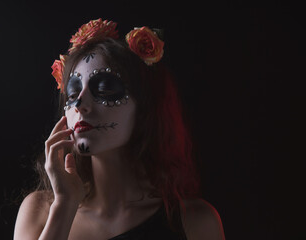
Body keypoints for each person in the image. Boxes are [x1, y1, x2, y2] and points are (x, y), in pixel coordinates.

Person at [14, 19, 225, 240]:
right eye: (73, 94)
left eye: (104, 88)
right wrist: (64, 206)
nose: (80, 104)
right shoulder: (41, 211)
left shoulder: (193, 221)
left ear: (146, 107)